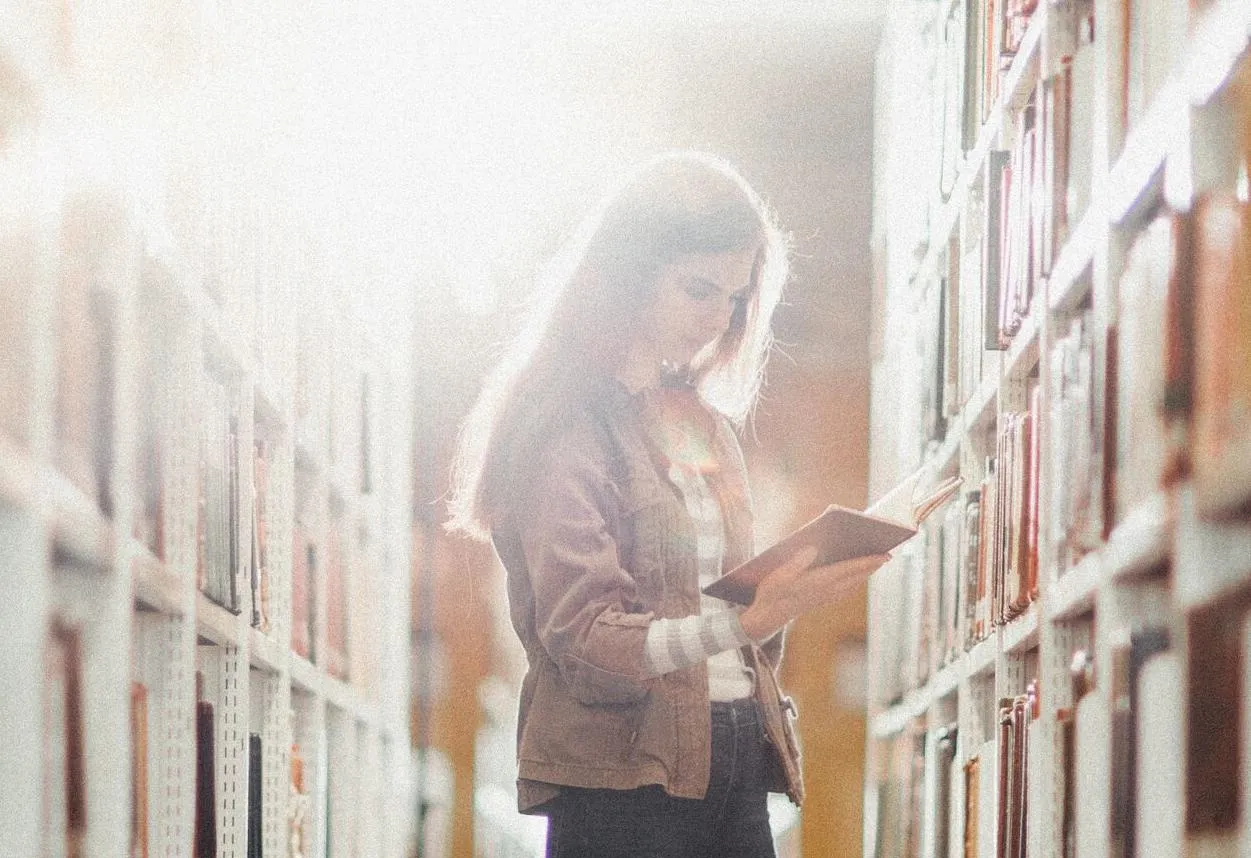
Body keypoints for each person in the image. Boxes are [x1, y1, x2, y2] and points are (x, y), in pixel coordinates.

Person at [447, 151, 888, 858]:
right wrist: (743, 619)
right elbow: (586, 639)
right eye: (697, 290)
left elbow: (720, 605)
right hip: (623, 780)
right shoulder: (563, 424)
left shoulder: (697, 423)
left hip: (737, 758)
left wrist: (777, 597)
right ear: (627, 274)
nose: (718, 318)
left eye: (737, 299)